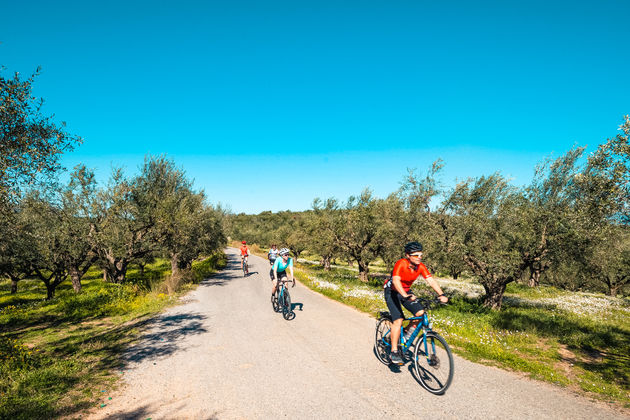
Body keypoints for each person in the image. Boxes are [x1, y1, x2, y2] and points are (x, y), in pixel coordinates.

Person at [384, 241, 448, 365]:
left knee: (420, 313)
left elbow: (431, 281)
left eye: (421, 255)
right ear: (408, 255)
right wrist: (405, 296)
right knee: (398, 320)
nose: (419, 257)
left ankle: (405, 335)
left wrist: (441, 294)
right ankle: (394, 351)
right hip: (392, 291)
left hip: (406, 291)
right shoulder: (401, 263)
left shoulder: (421, 267)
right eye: (416, 255)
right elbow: (396, 281)